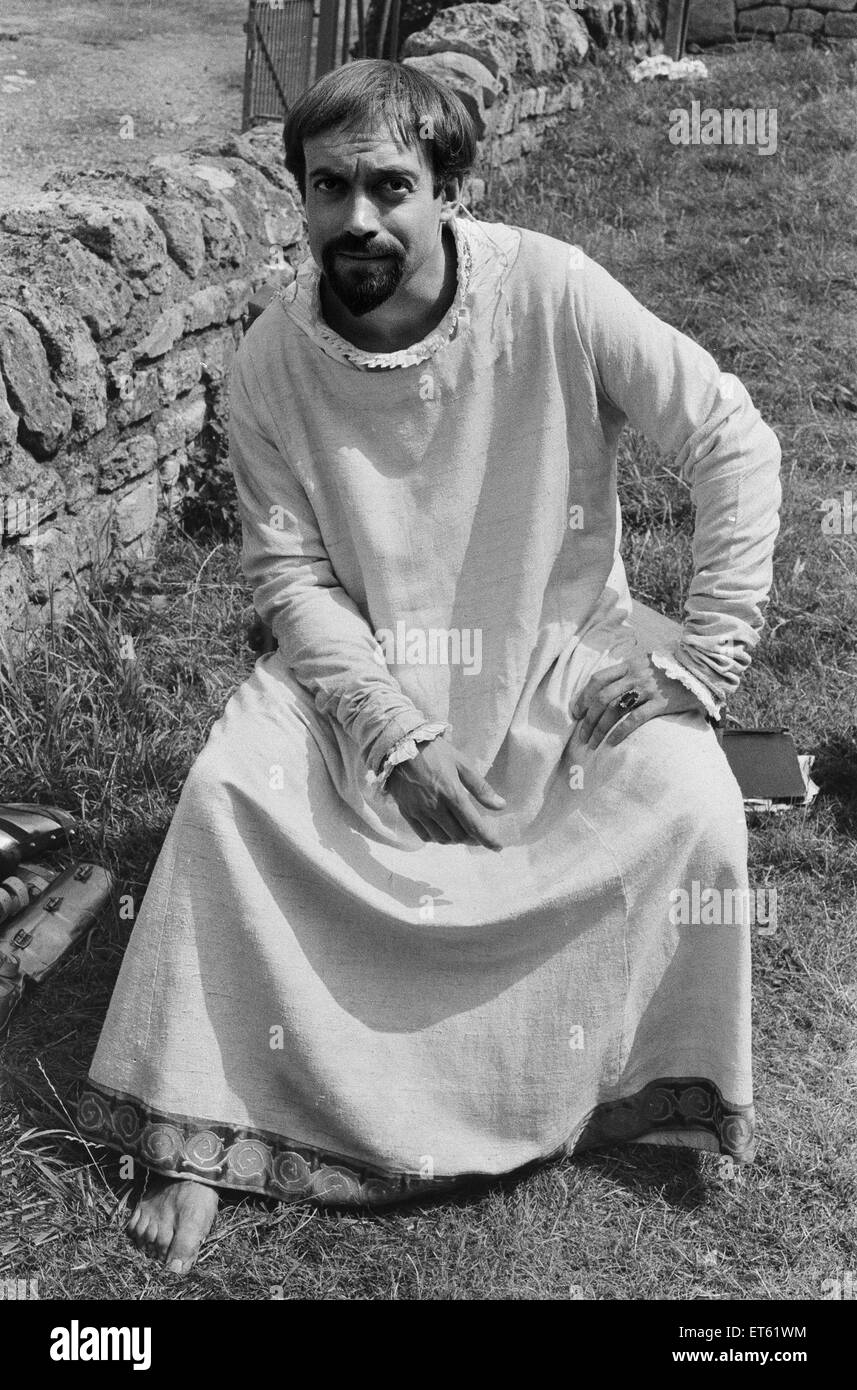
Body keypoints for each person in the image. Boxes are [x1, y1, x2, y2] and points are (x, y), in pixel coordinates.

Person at [78, 59, 781, 1276]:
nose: (357, 219)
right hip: (352, 670)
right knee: (223, 802)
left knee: (694, 803)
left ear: (448, 188)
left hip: (559, 655)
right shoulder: (266, 366)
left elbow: (730, 437)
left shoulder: (553, 291)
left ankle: (649, 1080)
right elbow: (291, 582)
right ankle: (202, 1130)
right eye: (328, 187)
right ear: (298, 197)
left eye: (389, 186)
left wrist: (705, 659)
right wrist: (390, 734)